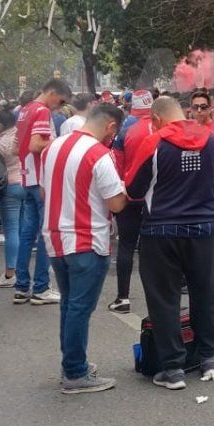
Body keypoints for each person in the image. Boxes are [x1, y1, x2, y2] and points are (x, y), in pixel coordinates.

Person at [126, 97, 214, 389]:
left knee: (164, 299)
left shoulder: (154, 143)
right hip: (205, 228)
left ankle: (172, 368)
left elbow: (134, 189)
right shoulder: (213, 140)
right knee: (205, 293)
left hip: (161, 230)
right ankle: (209, 356)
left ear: (156, 119)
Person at [40, 103, 127, 394]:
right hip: (87, 240)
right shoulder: (99, 154)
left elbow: (44, 190)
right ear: (111, 127)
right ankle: (75, 372)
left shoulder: (53, 147)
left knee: (69, 304)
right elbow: (115, 203)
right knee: (79, 307)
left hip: (55, 237)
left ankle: (72, 363)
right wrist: (125, 190)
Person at [13, 78, 72, 306]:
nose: (60, 105)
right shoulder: (41, 111)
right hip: (40, 179)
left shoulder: (24, 110)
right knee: (45, 233)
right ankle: (40, 287)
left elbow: (18, 145)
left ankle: (21, 286)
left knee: (27, 235)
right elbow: (35, 145)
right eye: (61, 100)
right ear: (53, 93)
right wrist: (60, 144)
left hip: (27, 177)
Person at [107, 89, 155, 313]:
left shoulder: (126, 129)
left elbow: (115, 163)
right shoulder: (163, 127)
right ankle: (157, 296)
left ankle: (122, 298)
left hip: (129, 193)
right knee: (153, 247)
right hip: (158, 197)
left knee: (126, 245)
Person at [0, 108, 23, 288]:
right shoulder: (21, 134)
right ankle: (23, 272)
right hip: (26, 183)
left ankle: (10, 273)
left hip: (9, 185)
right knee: (25, 230)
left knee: (11, 230)